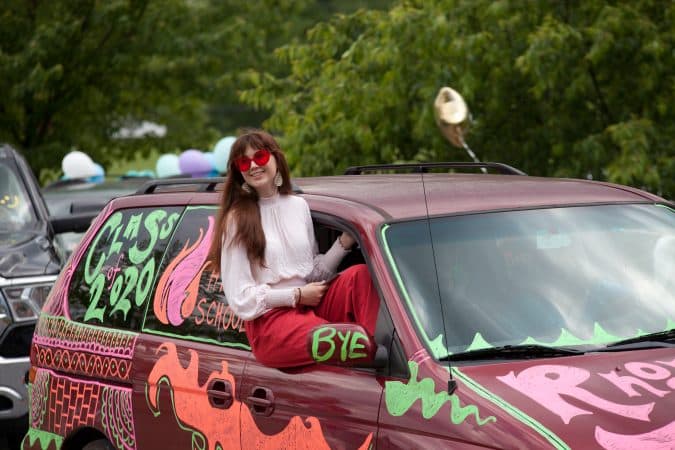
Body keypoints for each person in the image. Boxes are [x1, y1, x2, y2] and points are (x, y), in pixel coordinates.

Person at [207, 129, 380, 368]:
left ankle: (384, 353)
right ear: (239, 171)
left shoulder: (298, 205)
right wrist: (296, 296)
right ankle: (373, 362)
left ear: (276, 158)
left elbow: (311, 273)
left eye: (260, 157)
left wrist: (343, 244)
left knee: (360, 276)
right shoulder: (237, 219)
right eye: (244, 162)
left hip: (310, 305)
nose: (253, 166)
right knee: (333, 340)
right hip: (270, 321)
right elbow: (240, 298)